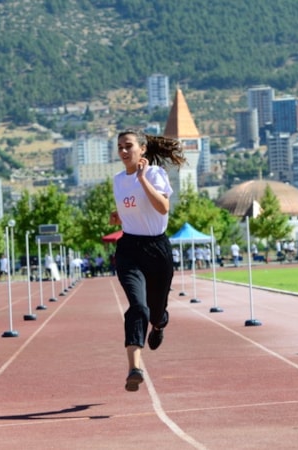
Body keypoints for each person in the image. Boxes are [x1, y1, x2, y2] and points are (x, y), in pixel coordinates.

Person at [109, 129, 185, 392]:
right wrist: (118, 216)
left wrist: (142, 180)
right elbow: (129, 206)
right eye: (119, 147)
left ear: (142, 149)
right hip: (129, 248)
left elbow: (163, 208)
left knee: (155, 309)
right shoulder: (118, 180)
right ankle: (134, 367)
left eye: (128, 146)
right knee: (137, 306)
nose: (123, 151)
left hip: (157, 248)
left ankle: (160, 323)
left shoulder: (154, 174)